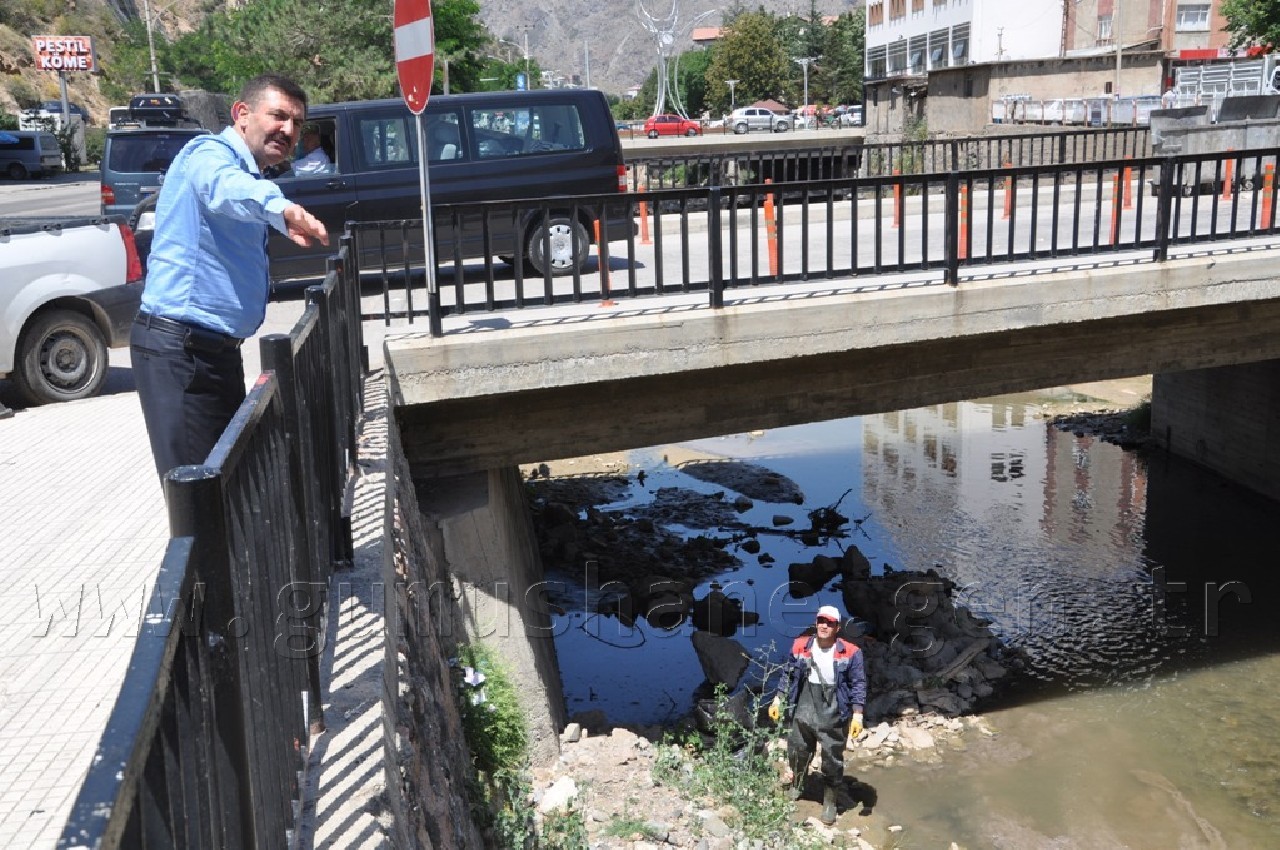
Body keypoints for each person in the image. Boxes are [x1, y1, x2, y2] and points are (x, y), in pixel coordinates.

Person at [130, 73, 329, 479]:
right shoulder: (207, 154)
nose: (288, 130)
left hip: (211, 351)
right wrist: (281, 208)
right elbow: (221, 185)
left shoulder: (248, 169)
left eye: (297, 123)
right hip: (181, 352)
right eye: (278, 116)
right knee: (200, 497)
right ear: (242, 114)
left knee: (227, 485)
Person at [770, 604, 867, 825]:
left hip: (834, 711)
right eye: (821, 621)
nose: (824, 625)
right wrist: (778, 698)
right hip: (803, 707)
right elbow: (789, 673)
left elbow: (858, 684)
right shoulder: (800, 645)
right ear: (816, 623)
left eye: (829, 623)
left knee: (832, 760)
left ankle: (830, 801)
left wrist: (857, 714)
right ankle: (798, 785)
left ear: (837, 627)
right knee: (797, 750)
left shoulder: (851, 653)